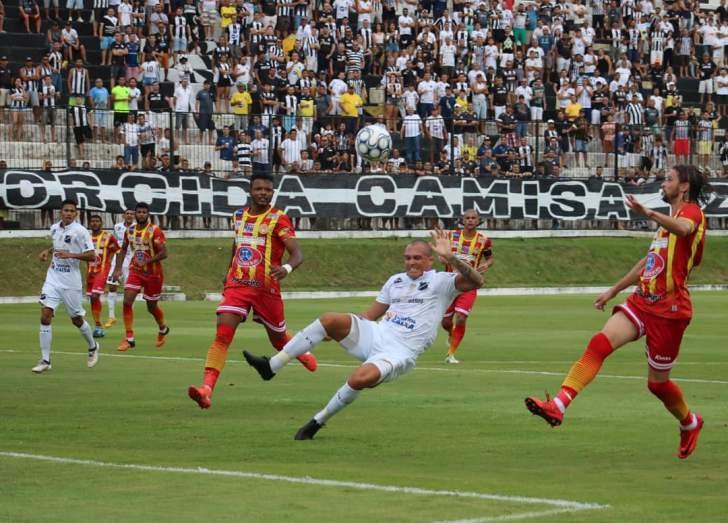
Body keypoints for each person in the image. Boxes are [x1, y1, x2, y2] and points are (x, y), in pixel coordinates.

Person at [525, 165, 710, 460]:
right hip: (642, 301)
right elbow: (647, 262)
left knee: (657, 385)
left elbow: (685, 230)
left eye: (669, 179)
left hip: (670, 309)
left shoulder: (691, 214)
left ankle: (690, 422)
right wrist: (614, 290)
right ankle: (558, 405)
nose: (664, 183)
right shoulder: (668, 222)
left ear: (684, 187)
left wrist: (647, 213)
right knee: (599, 343)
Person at [242, 228, 485, 439]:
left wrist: (451, 257)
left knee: (360, 379)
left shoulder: (442, 281)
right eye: (408, 258)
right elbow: (369, 315)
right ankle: (271, 366)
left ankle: (317, 421)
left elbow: (477, 281)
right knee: (329, 319)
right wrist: (333, 330)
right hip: (377, 334)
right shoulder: (395, 281)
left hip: (400, 352)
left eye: (418, 258)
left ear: (430, 260)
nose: (411, 262)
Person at [188, 172, 317, 409]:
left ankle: (302, 353)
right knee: (223, 335)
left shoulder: (279, 219)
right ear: (250, 190)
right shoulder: (238, 216)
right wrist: (228, 272)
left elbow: (297, 253)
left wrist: (287, 268)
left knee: (278, 340)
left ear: (272, 192)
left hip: (266, 289)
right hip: (238, 285)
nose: (263, 193)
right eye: (259, 189)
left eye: (267, 190)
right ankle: (206, 389)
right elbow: (237, 245)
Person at [33, 199, 99, 373]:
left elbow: (92, 256)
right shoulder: (54, 228)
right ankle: (45, 360)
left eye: (72, 211)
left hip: (71, 282)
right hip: (53, 279)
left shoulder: (81, 231)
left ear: (76, 214)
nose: (68, 213)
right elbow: (57, 245)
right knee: (45, 316)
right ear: (60, 212)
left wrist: (70, 254)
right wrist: (47, 251)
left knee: (76, 319)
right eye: (66, 210)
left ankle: (92, 346)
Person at [112, 202, 170, 351]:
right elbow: (123, 249)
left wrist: (147, 260)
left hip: (153, 275)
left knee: (151, 307)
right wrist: (117, 269)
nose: (141, 214)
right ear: (135, 214)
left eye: (144, 212)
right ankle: (129, 338)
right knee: (127, 301)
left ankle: (163, 328)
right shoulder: (129, 231)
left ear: (148, 214)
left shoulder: (155, 231)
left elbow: (164, 253)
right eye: (139, 212)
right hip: (136, 271)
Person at [441, 209, 493, 364]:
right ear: (463, 220)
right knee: (445, 322)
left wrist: (486, 264)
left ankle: (450, 354)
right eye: (467, 218)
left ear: (478, 221)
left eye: (473, 218)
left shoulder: (484, 240)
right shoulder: (452, 236)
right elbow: (442, 253)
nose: (470, 220)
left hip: (470, 284)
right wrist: (442, 258)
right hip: (450, 283)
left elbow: (490, 258)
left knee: (461, 318)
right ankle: (451, 332)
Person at [86, 214, 120, 338]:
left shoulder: (108, 237)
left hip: (102, 270)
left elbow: (118, 251)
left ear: (101, 223)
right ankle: (97, 325)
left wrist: (116, 268)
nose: (95, 223)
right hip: (90, 272)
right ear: (90, 224)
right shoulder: (86, 237)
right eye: (92, 221)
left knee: (95, 295)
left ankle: (99, 326)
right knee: (92, 299)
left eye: (97, 221)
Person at [105, 208, 135, 328]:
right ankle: (111, 316)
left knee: (130, 290)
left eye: (131, 214)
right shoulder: (117, 227)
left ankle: (129, 314)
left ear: (134, 216)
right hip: (117, 259)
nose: (129, 215)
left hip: (131, 260)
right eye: (127, 213)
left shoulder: (137, 227)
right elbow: (114, 241)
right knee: (112, 286)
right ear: (123, 215)